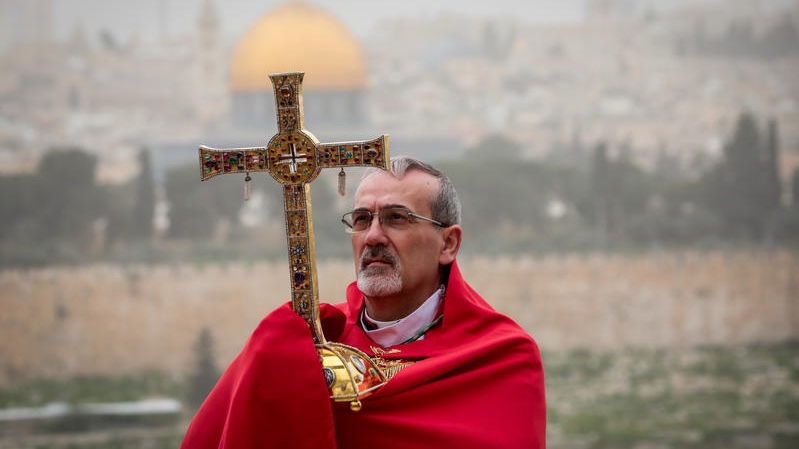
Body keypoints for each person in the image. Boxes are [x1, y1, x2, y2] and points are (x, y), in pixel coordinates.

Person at [180, 156, 546, 449]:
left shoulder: (499, 356)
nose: (373, 236)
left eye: (396, 219)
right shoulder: (298, 344)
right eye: (360, 219)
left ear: (448, 244)